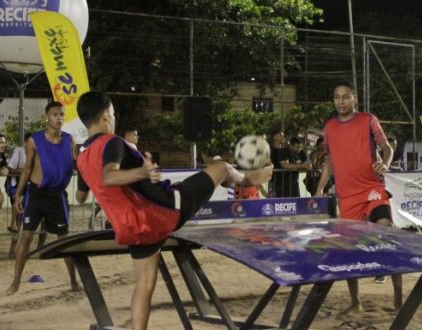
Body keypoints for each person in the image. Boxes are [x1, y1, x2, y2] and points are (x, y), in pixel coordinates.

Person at [74, 91, 273, 330]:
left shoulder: (82, 157)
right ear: (106, 116)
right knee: (221, 167)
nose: (115, 119)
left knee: (144, 285)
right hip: (165, 210)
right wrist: (142, 172)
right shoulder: (113, 142)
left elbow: (80, 196)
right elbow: (109, 176)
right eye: (114, 114)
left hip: (133, 227)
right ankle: (249, 179)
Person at [315, 81, 402, 313]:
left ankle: (399, 300)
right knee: (347, 251)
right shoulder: (330, 127)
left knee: (385, 233)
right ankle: (355, 302)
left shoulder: (368, 120)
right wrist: (320, 188)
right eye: (337, 97)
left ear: (355, 99)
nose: (341, 101)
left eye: (346, 97)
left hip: (372, 189)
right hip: (347, 197)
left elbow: (387, 148)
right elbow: (330, 160)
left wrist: (385, 163)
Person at [6, 101, 79, 295]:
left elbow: (77, 164)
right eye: (55, 114)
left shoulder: (70, 140)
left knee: (64, 239)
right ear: (47, 117)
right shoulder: (34, 140)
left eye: (62, 115)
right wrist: (18, 194)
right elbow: (27, 168)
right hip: (36, 193)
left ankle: (74, 280)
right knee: (26, 236)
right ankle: (15, 282)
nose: (59, 118)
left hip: (58, 196)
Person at [5, 133, 31, 258]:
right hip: (16, 185)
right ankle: (12, 250)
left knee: (26, 219)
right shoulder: (19, 151)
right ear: (26, 142)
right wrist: (24, 171)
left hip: (29, 187)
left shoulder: (37, 153)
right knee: (19, 217)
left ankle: (20, 249)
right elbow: (10, 169)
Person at [269, 130, 286, 196]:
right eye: (281, 135)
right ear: (275, 137)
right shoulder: (269, 150)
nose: (283, 137)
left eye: (283, 135)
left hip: (285, 181)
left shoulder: (285, 150)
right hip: (273, 181)